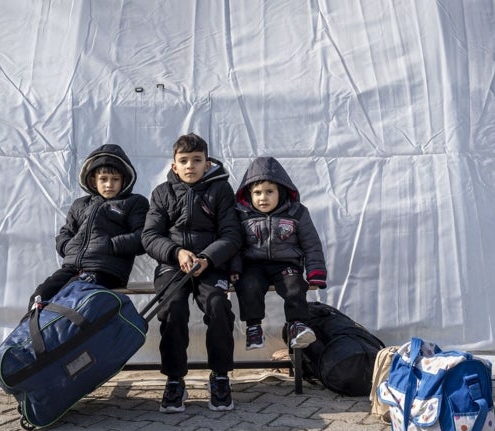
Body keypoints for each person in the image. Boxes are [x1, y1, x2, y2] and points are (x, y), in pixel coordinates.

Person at [141, 132, 242, 413]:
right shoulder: (162, 193)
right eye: (183, 161)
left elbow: (232, 235)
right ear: (174, 166)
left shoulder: (221, 191)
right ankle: (175, 380)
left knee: (219, 306)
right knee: (173, 310)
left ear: (207, 164)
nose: (190, 166)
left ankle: (220, 377)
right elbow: (149, 236)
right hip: (172, 267)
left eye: (196, 160)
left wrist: (208, 258)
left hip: (211, 267)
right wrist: (177, 253)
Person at [27, 144, 149, 312]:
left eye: (115, 179)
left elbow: (143, 237)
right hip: (71, 268)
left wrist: (111, 245)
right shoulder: (81, 204)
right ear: (93, 180)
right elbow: (65, 233)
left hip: (105, 270)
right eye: (103, 179)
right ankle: (28, 338)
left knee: (71, 300)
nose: (109, 184)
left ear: (124, 180)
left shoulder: (134, 203)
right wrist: (68, 247)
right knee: (40, 296)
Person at [229, 156, 327, 350]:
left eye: (269, 192)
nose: (262, 198)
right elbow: (235, 245)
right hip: (253, 265)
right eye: (257, 193)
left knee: (295, 286)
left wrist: (316, 273)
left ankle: (297, 326)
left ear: (281, 191)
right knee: (249, 285)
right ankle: (254, 327)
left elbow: (311, 244)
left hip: (286, 263)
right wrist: (234, 268)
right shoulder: (241, 214)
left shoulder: (297, 212)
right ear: (249, 194)